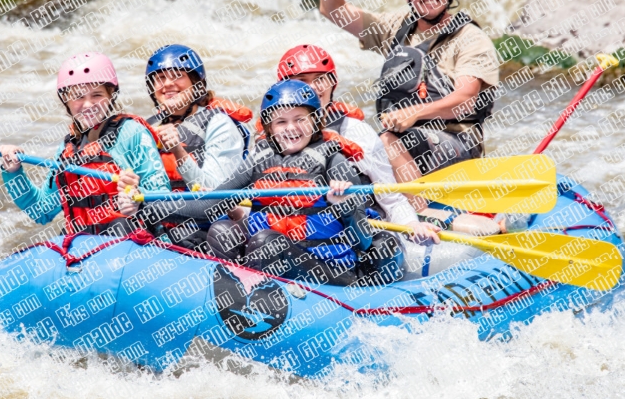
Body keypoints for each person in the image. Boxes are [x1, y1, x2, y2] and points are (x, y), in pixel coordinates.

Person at [318, 0, 501, 189]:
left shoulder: (470, 38)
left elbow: (465, 100)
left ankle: (422, 215)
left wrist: (414, 113)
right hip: (406, 145)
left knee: (388, 141)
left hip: (458, 147)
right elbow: (332, 10)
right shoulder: (395, 28)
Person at [157, 80, 406, 286]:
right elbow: (208, 207)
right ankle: (234, 294)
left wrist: (344, 206)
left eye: (300, 119)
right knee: (223, 232)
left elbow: (362, 239)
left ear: (316, 121)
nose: (291, 128)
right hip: (269, 263)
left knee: (267, 241)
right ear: (269, 127)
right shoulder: (259, 160)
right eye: (281, 121)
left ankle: (256, 299)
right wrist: (151, 209)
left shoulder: (333, 160)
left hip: (326, 270)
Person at [276, 44, 443, 243]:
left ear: (332, 84)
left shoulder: (356, 132)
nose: (313, 88)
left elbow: (390, 198)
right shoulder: (272, 134)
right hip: (286, 232)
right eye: (302, 81)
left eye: (320, 80)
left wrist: (411, 225)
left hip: (346, 237)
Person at [0, 52, 170, 238]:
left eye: (97, 95)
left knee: (120, 225)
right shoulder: (69, 149)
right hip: (85, 245)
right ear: (67, 101)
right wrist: (13, 172)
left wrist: (138, 200)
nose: (88, 105)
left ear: (111, 96)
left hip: (133, 241)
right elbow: (41, 211)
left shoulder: (131, 133)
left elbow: (163, 198)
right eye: (78, 97)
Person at [144, 44, 251, 248]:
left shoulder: (219, 124)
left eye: (177, 75)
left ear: (196, 83)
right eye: (160, 78)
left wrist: (178, 151)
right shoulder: (147, 129)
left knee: (184, 234)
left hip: (206, 230)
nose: (168, 84)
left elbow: (213, 200)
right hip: (161, 226)